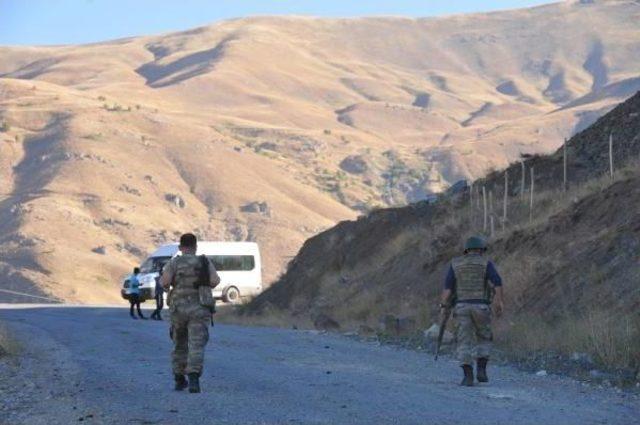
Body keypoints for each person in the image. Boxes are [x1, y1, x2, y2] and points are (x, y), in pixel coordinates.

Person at [440, 236, 504, 386]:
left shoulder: (455, 264)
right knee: (484, 337)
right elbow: (497, 282)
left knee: (463, 341)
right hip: (481, 307)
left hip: (461, 307)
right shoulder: (485, 263)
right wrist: (499, 302)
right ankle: (481, 370)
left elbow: (448, 289)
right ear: (481, 249)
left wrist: (443, 307)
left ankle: (467, 376)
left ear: (466, 250)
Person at [161, 233, 220, 393]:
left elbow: (165, 282)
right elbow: (215, 281)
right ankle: (193, 379)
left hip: (178, 309)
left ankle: (179, 379)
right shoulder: (204, 261)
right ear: (195, 247)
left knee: (179, 343)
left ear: (181, 247)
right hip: (199, 308)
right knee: (196, 344)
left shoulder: (174, 263)